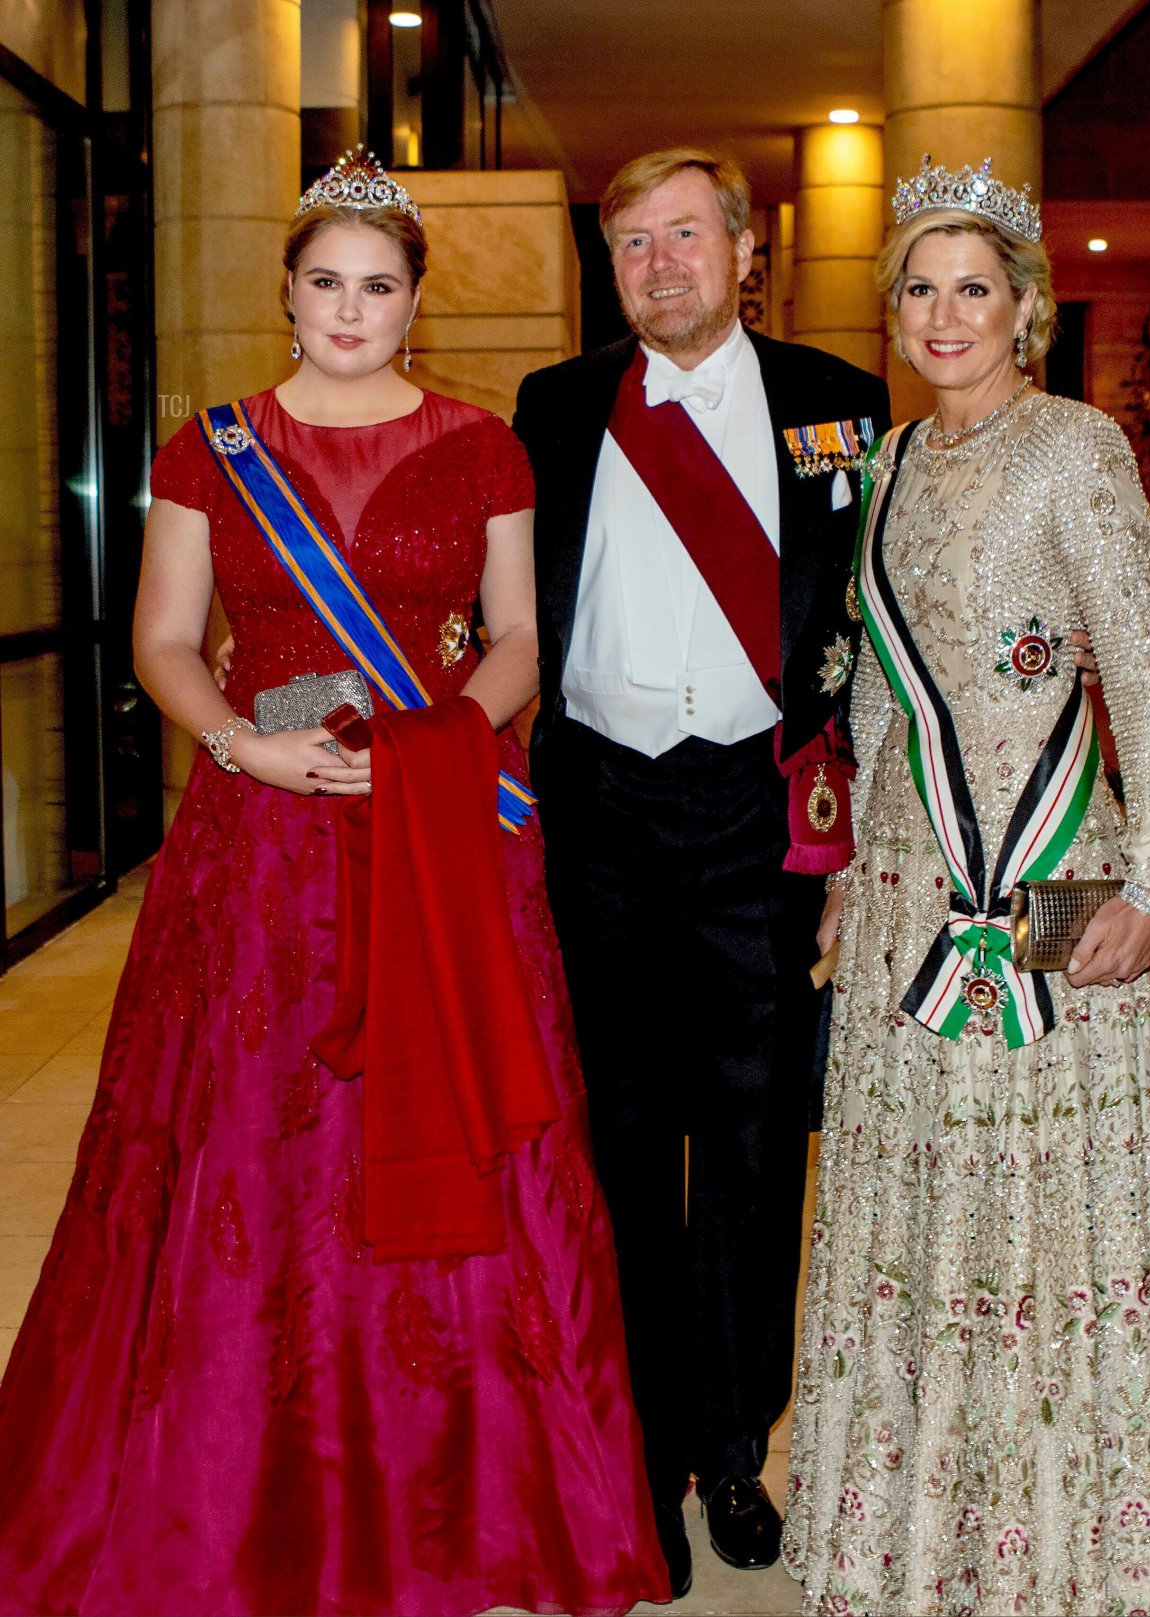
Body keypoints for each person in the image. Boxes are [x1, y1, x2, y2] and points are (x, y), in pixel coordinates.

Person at [0, 150, 669, 1617]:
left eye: (379, 286)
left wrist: (442, 743)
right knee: (252, 1143)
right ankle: (243, 1487)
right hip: (261, 845)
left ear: (416, 302)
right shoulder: (211, 448)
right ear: (287, 292)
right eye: (325, 282)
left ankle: (466, 1493)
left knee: (459, 1121)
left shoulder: (484, 445)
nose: (350, 309)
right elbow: (164, 639)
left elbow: (513, 639)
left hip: (441, 828)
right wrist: (245, 747)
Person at [783, 156, 1150, 1616]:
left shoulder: (1077, 448)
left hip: (1056, 873)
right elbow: (887, 698)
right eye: (919, 287)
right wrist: (844, 870)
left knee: (1035, 1188)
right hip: (908, 890)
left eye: (975, 287)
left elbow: (1141, 670)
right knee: (911, 1193)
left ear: (1024, 308)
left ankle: (1053, 1533)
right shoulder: (886, 463)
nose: (945, 314)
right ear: (891, 309)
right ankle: (913, 1527)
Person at [512, 147, 891, 1596]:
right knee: (621, 1146)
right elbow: (466, 613)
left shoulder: (837, 410)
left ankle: (735, 1446)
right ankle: (644, 1450)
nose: (658, 264)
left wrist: (861, 834)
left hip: (757, 818)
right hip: (597, 814)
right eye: (630, 245)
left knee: (746, 1148)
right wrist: (282, 693)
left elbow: (883, 629)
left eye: (685, 236)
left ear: (745, 250)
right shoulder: (555, 409)